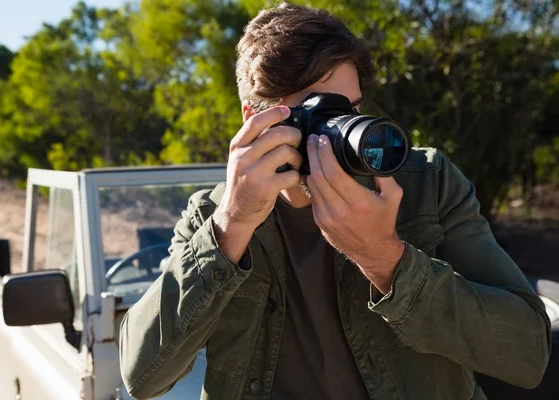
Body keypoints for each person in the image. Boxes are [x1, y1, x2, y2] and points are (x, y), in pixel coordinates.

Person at [119, 3, 552, 399]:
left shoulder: (426, 184)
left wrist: (386, 259)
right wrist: (231, 227)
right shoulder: (212, 215)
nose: (342, 132)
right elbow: (142, 377)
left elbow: (529, 354)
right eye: (322, 115)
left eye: (351, 111)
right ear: (257, 121)